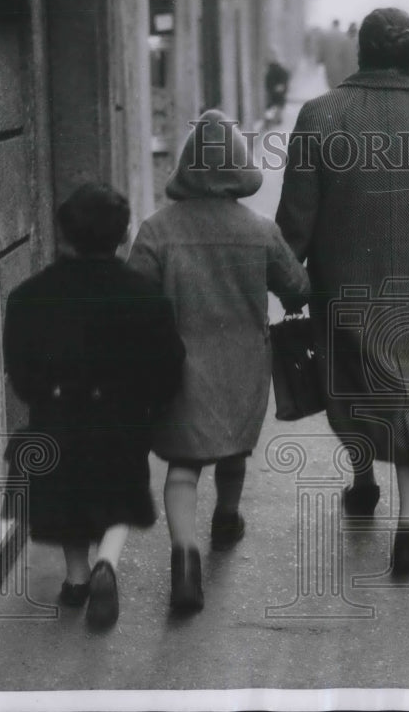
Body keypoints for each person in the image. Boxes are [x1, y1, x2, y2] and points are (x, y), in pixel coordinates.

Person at [276, 7, 409, 575]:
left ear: (362, 52)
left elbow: (296, 214)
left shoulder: (320, 115)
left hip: (343, 286)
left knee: (349, 387)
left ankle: (363, 477)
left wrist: (291, 275)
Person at [127, 109, 309, 614]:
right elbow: (297, 287)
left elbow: (133, 297)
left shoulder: (156, 230)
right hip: (244, 362)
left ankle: (184, 562)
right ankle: (226, 518)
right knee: (232, 451)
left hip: (178, 365)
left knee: (183, 465)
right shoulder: (259, 230)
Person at [4, 183, 185, 630]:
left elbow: (20, 370)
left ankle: (77, 578)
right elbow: (169, 363)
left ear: (63, 234)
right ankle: (107, 561)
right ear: (123, 236)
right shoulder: (144, 295)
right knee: (120, 493)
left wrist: (45, 398)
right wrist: (147, 404)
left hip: (58, 416)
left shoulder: (28, 295)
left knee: (70, 495)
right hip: (121, 418)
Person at [318, 18, 353, 89]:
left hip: (328, 64)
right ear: (338, 24)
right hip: (340, 64)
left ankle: (331, 96)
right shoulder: (344, 36)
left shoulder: (326, 35)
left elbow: (322, 48)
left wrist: (320, 59)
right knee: (337, 82)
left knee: (330, 81)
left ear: (332, 24)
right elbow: (347, 52)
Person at [264, 49, 290, 127]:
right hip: (271, 90)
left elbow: (285, 77)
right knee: (270, 105)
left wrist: (282, 85)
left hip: (278, 90)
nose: (272, 57)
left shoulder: (280, 68)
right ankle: (269, 120)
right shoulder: (269, 67)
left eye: (273, 56)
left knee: (278, 104)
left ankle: (276, 119)